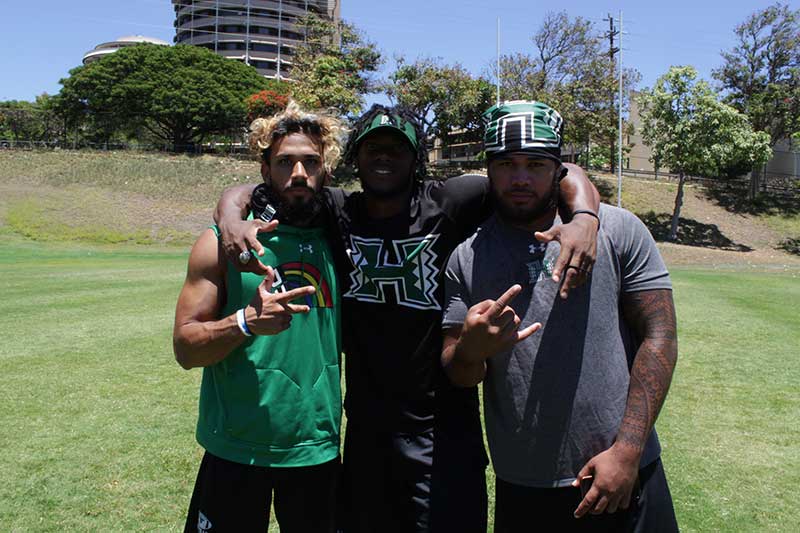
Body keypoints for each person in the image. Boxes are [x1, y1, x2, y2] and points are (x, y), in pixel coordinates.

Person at [215, 104, 601, 532]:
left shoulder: (451, 202)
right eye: (372, 148)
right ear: (354, 160)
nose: (383, 157)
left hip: (443, 431)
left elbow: (560, 169)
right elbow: (246, 191)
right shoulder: (336, 210)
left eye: (396, 149)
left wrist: (585, 217)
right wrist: (232, 221)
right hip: (365, 430)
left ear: (416, 159)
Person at [441, 100, 679, 532]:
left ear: (559, 169)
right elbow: (458, 372)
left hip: (622, 474)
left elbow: (659, 335)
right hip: (526, 486)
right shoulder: (466, 257)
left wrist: (626, 452)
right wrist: (470, 353)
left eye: (535, 163)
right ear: (488, 170)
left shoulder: (619, 230)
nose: (520, 177)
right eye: (506, 164)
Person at [173, 101, 345, 532]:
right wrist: (245, 321)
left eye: (311, 161)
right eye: (285, 162)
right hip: (235, 448)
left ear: (326, 169)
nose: (299, 173)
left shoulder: (344, 239)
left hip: (316, 448)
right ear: (265, 170)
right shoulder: (223, 243)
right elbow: (185, 348)